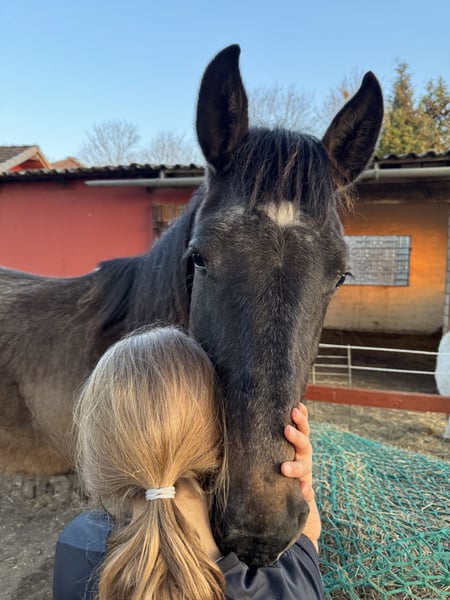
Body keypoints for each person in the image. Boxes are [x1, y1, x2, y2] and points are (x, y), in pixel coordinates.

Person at [53, 327, 324, 599]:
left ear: (99, 459)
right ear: (222, 443)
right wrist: (301, 482)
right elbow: (308, 537)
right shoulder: (291, 588)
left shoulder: (74, 546)